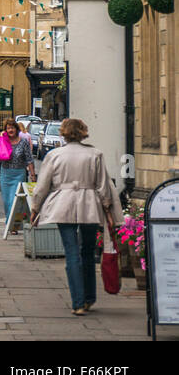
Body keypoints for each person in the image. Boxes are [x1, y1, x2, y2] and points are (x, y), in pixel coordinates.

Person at [30, 118, 124, 315]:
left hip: (63, 204)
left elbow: (43, 185)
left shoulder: (54, 155)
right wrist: (108, 209)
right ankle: (89, 298)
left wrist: (35, 208)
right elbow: (103, 185)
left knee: (72, 253)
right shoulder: (95, 154)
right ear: (83, 132)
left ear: (63, 133)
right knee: (88, 251)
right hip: (89, 204)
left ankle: (78, 302)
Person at [0, 118, 36, 222]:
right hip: (5, 174)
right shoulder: (3, 140)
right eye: (8, 128)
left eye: (12, 128)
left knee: (14, 200)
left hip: (19, 174)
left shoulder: (24, 142)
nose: (10, 130)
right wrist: (1, 136)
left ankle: (13, 224)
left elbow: (29, 159)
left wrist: (32, 174)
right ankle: (10, 223)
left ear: (16, 129)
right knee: (7, 201)